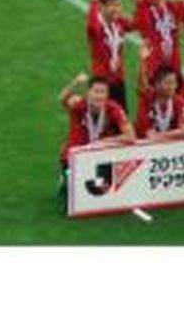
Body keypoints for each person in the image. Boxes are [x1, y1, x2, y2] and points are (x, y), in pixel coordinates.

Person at [57, 73, 135, 210]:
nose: (99, 96)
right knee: (72, 201)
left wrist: (105, 141)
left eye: (103, 92)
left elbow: (130, 136)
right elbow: (62, 98)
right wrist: (75, 82)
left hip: (99, 155)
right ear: (88, 93)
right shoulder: (79, 105)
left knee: (100, 194)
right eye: (96, 92)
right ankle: (66, 178)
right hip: (74, 155)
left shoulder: (113, 109)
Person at [86, 0, 134, 111]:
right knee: (104, 124)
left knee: (121, 118)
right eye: (112, 5)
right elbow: (91, 24)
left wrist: (140, 1)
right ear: (102, 6)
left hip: (118, 80)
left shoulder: (119, 22)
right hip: (102, 84)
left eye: (119, 5)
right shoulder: (97, 26)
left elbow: (139, 23)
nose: (116, 9)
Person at [135, 44, 184, 141]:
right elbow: (148, 135)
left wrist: (159, 136)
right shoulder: (147, 100)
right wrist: (143, 61)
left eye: (174, 83)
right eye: (168, 83)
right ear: (156, 85)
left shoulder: (179, 101)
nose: (172, 87)